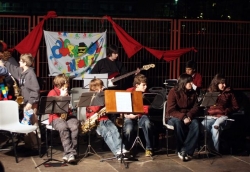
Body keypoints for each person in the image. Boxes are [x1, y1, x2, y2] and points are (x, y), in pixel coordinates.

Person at [1, 53, 40, 149]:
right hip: (25, 102)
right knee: (26, 122)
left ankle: (37, 145)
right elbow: (13, 69)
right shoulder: (21, 71)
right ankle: (28, 144)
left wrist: (31, 103)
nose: (18, 62)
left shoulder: (30, 74)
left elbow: (36, 90)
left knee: (33, 122)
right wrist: (4, 62)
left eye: (20, 61)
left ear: (25, 62)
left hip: (31, 103)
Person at [85, 78, 129, 160]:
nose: (103, 88)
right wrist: (99, 97)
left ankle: (121, 149)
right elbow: (95, 109)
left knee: (115, 130)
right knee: (107, 133)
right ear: (96, 88)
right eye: (101, 87)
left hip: (104, 118)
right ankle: (117, 153)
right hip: (95, 120)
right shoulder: (90, 96)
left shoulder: (102, 95)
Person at [201, 73, 239, 152]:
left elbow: (236, 106)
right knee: (203, 124)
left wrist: (226, 110)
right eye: (222, 83)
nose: (224, 85)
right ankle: (210, 147)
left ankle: (215, 150)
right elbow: (206, 106)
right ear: (217, 83)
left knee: (215, 127)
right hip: (211, 116)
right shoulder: (210, 92)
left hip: (223, 116)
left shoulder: (229, 92)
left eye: (225, 83)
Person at [166, 73, 200, 161]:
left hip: (189, 116)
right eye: (189, 82)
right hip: (174, 116)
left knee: (196, 124)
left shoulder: (193, 92)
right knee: (178, 123)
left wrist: (188, 116)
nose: (191, 84)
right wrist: (183, 117)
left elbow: (196, 107)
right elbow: (171, 110)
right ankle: (179, 149)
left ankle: (185, 150)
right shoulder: (173, 91)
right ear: (184, 83)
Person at [47, 74, 79, 163]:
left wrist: (69, 106)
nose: (68, 85)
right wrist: (61, 97)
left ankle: (68, 154)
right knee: (63, 127)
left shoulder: (66, 91)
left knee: (74, 127)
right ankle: (70, 153)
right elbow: (51, 109)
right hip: (55, 117)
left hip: (67, 116)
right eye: (66, 83)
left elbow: (68, 109)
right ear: (61, 83)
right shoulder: (52, 93)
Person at [123, 74, 153, 157]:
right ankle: (128, 149)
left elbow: (146, 108)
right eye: (143, 85)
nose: (146, 87)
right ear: (137, 85)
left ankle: (149, 148)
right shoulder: (128, 91)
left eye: (146, 84)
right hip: (129, 115)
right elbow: (122, 105)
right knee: (129, 129)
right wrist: (126, 115)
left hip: (141, 116)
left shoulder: (147, 94)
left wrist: (137, 115)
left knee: (148, 124)